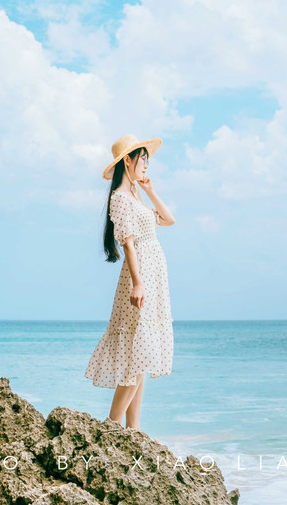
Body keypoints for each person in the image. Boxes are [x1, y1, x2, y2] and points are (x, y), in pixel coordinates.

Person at [84, 133, 175, 429]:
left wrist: (150, 191)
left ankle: (133, 430)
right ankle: (112, 426)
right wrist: (138, 283)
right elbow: (128, 244)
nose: (146, 165)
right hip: (140, 275)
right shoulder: (121, 198)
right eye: (142, 159)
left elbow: (168, 219)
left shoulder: (135, 196)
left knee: (142, 358)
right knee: (136, 356)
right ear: (127, 160)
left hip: (152, 275)